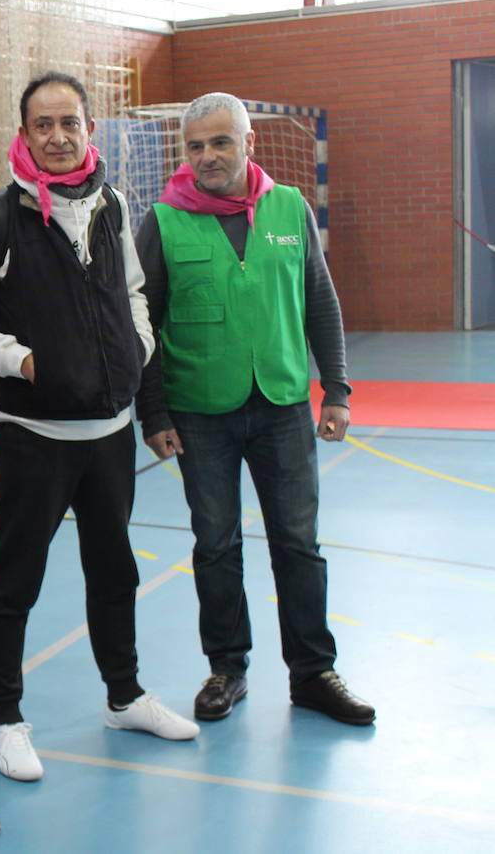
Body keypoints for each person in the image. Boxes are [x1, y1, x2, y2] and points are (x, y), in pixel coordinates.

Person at [0, 71, 200, 783]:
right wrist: (26, 361)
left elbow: (131, 291)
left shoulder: (114, 206)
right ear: (25, 133)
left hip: (110, 434)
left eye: (70, 123)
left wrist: (138, 349)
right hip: (33, 438)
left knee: (114, 570)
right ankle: (5, 719)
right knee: (15, 583)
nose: (59, 137)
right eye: (44, 125)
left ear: (89, 129)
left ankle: (124, 695)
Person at [136, 91, 375, 726]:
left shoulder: (289, 208)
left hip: (282, 406)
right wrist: (153, 413)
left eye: (220, 142)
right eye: (196, 146)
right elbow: (142, 324)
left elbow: (320, 303)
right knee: (215, 545)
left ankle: (314, 672)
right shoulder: (162, 220)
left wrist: (339, 390)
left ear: (249, 144)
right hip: (198, 413)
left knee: (298, 543)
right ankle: (227, 668)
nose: (208, 157)